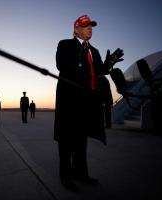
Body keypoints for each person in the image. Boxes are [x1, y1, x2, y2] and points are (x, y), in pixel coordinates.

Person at [54, 15, 123, 191]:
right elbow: (62, 65)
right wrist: (80, 54)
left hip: (87, 102)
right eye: (85, 26)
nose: (89, 29)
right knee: (67, 140)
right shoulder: (65, 44)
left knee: (80, 141)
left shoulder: (95, 51)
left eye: (91, 26)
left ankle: (80, 173)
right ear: (76, 29)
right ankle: (65, 176)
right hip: (70, 101)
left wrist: (108, 64)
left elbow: (99, 70)